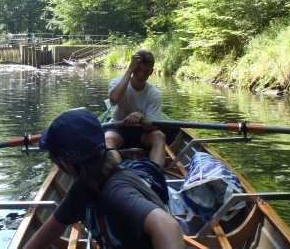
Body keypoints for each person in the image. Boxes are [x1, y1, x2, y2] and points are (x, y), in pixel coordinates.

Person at [23, 111, 184, 249]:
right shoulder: (82, 189)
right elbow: (51, 231)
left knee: (151, 169)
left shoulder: (116, 191)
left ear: (64, 167)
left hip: (143, 177)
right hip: (129, 171)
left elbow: (168, 228)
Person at [105, 50, 166, 167]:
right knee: (107, 140)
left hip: (142, 132)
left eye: (145, 71)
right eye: (138, 69)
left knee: (160, 136)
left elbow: (152, 126)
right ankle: (116, 173)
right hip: (119, 128)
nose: (141, 75)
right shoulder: (117, 82)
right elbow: (113, 100)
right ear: (133, 69)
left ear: (151, 72)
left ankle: (155, 173)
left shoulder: (154, 93)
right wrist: (129, 71)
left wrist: (141, 117)